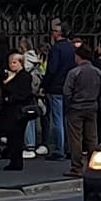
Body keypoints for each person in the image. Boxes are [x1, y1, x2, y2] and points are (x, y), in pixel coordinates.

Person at [63, 44, 101, 177]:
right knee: (92, 138)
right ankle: (94, 165)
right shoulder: (97, 71)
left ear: (78, 57)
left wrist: (70, 104)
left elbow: (66, 91)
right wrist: (96, 102)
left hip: (76, 108)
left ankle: (77, 167)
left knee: (76, 138)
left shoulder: (74, 72)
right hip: (92, 108)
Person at [42, 22, 76, 159]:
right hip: (69, 86)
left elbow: (52, 69)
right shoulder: (71, 48)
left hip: (56, 87)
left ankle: (59, 149)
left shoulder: (56, 49)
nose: (52, 34)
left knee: (57, 119)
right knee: (67, 119)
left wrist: (44, 85)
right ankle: (69, 148)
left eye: (54, 31)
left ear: (59, 33)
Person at [0, 52, 36, 170]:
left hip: (18, 110)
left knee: (16, 136)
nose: (12, 65)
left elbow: (24, 93)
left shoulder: (24, 76)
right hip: (11, 110)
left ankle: (16, 161)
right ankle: (13, 160)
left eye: (14, 62)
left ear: (21, 63)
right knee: (12, 136)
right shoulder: (11, 75)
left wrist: (9, 98)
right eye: (10, 63)